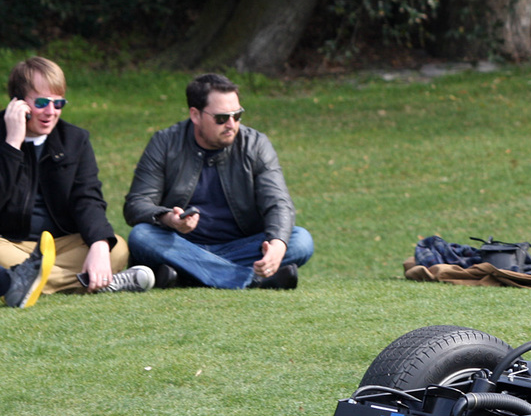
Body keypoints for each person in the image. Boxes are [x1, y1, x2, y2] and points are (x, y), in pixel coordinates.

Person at [123, 73, 313, 290]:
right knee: (141, 236)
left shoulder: (256, 144)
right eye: (221, 118)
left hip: (240, 246)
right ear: (195, 115)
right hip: (181, 244)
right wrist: (169, 219)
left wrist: (277, 246)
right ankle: (250, 279)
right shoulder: (165, 143)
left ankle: (187, 276)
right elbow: (136, 204)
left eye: (237, 115)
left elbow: (278, 203)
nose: (231, 124)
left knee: (300, 240)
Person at [1, 56, 149, 299]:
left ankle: (20, 283)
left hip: (61, 245)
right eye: (41, 102)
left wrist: (100, 245)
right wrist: (12, 147)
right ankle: (101, 281)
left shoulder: (74, 140)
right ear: (18, 102)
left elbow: (87, 197)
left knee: (117, 249)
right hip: (10, 244)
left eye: (58, 103)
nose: (51, 112)